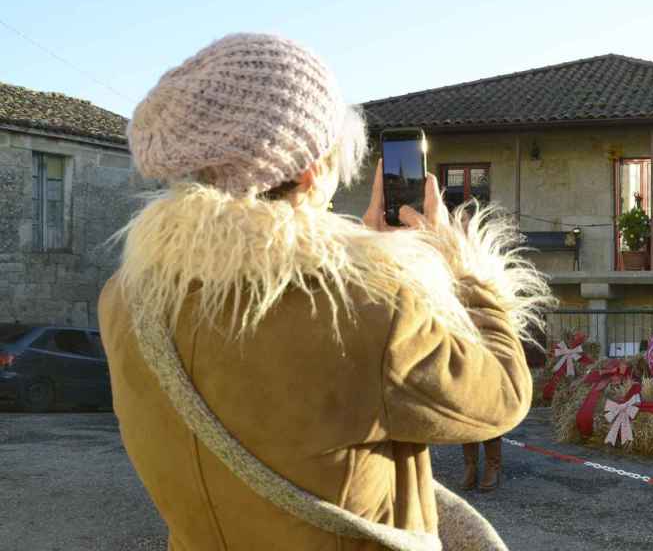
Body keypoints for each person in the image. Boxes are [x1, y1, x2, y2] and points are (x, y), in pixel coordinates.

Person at [98, 33, 553, 551]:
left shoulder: (124, 301)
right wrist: (458, 269)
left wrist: (367, 259)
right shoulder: (365, 306)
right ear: (313, 169)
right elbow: (502, 398)